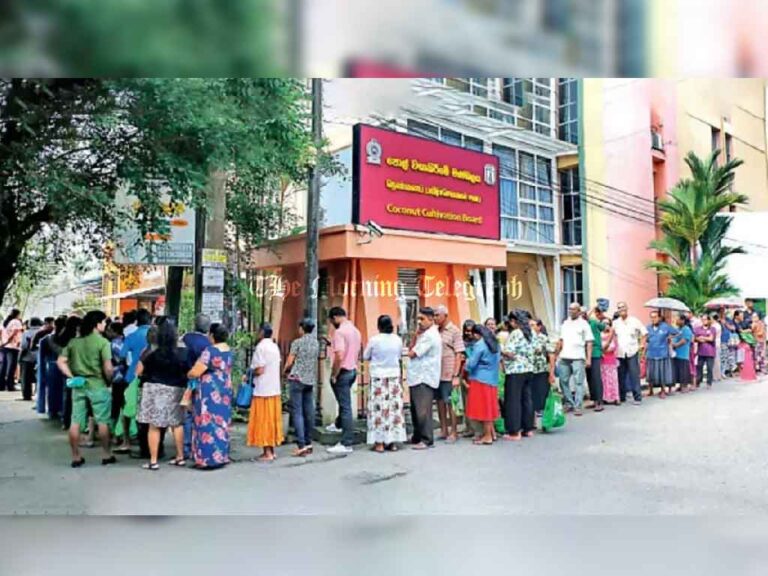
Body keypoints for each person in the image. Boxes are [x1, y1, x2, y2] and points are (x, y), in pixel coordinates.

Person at [56, 310, 115, 467]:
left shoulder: (74, 342)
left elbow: (61, 361)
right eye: (103, 322)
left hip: (79, 385)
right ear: (97, 324)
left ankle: (76, 456)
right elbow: (108, 368)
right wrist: (109, 380)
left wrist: (71, 377)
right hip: (98, 384)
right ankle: (106, 454)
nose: (105, 325)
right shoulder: (103, 343)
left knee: (75, 421)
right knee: (102, 421)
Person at [135, 320, 188, 470]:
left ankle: (153, 461)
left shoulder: (151, 354)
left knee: (154, 426)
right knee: (177, 424)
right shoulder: (182, 354)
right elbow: (187, 372)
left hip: (154, 390)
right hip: (176, 390)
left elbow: (138, 372)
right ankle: (180, 457)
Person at [187, 323, 233, 469]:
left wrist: (189, 373)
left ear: (212, 336)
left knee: (206, 422)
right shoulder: (228, 350)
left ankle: (206, 459)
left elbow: (195, 371)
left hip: (209, 391)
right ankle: (222, 455)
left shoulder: (210, 351)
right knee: (222, 423)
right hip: (224, 388)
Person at [362, 315, 406, 453]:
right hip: (393, 377)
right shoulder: (397, 340)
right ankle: (392, 442)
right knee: (393, 409)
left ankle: (379, 442)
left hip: (378, 378)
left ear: (379, 326)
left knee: (378, 410)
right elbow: (399, 356)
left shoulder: (375, 340)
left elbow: (365, 356)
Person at [325, 307, 362, 455]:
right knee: (343, 400)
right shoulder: (355, 331)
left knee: (345, 405)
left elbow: (339, 356)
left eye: (331, 321)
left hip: (343, 371)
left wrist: (334, 373)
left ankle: (346, 442)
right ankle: (338, 424)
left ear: (335, 318)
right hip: (352, 369)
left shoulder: (339, 332)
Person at [247, 322, 284, 462]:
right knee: (271, 421)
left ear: (262, 332)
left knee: (263, 421)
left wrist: (250, 373)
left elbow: (260, 369)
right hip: (274, 388)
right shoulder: (274, 346)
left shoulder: (260, 347)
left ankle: (267, 453)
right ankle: (271, 451)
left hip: (263, 389)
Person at [406, 307, 442, 450]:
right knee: (415, 409)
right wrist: (416, 335)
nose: (419, 322)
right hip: (417, 375)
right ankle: (417, 436)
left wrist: (409, 351)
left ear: (431, 319)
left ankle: (427, 439)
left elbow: (413, 353)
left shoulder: (430, 336)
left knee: (423, 410)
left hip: (424, 376)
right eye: (418, 319)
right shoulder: (424, 334)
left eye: (422, 319)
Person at [283, 318, 320, 457]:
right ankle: (309, 442)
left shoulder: (297, 342)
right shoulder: (315, 343)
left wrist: (284, 371)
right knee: (308, 411)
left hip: (297, 378)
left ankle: (301, 444)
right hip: (310, 380)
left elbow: (290, 361)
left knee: (297, 412)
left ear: (302, 328)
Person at [554, 302, 594, 415]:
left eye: (574, 309)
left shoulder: (584, 324)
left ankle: (578, 406)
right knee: (563, 381)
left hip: (578, 356)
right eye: (569, 309)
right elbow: (561, 340)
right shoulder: (565, 323)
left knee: (578, 382)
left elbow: (589, 342)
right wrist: (556, 354)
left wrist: (588, 358)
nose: (571, 311)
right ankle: (569, 403)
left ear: (579, 311)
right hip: (564, 356)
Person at [181, 313, 212, 460]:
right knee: (199, 414)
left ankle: (186, 447)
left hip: (185, 379)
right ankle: (197, 446)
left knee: (186, 415)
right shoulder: (207, 344)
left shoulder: (185, 338)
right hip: (201, 382)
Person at [502, 310, 536, 438]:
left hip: (515, 369)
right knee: (526, 399)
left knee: (513, 400)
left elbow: (509, 352)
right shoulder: (531, 332)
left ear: (514, 321)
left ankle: (514, 430)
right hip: (528, 368)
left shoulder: (515, 333)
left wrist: (501, 349)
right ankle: (528, 428)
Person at [464, 324, 501, 445]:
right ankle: (491, 433)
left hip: (480, 379)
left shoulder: (479, 345)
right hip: (493, 378)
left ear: (476, 334)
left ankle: (487, 436)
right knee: (489, 408)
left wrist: (466, 363)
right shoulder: (495, 343)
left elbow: (471, 364)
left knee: (483, 409)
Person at [435, 305, 465, 443]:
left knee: (450, 403)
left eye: (437, 315)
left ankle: (454, 431)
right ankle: (443, 429)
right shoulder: (435, 331)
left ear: (445, 316)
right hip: (437, 373)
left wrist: (455, 375)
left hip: (449, 372)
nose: (435, 318)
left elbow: (459, 354)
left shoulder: (454, 331)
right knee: (440, 402)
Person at [613, 302, 647, 405]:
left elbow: (644, 333)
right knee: (620, 375)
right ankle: (622, 397)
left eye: (623, 307)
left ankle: (637, 397)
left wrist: (642, 344)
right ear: (617, 310)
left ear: (627, 308)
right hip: (620, 353)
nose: (621, 309)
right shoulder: (615, 323)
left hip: (632, 351)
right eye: (619, 308)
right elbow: (611, 335)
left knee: (634, 375)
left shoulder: (634, 321)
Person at [645, 310, 677, 398]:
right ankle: (650, 390)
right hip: (651, 353)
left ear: (659, 318)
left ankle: (663, 391)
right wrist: (644, 352)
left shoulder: (665, 326)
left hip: (662, 353)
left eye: (655, 317)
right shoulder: (648, 327)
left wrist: (670, 337)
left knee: (662, 373)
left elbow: (677, 333)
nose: (653, 319)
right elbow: (646, 340)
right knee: (650, 373)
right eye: (651, 317)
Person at [36, 316, 64, 416]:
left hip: (51, 367)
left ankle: (52, 410)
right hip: (66, 367)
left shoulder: (45, 339)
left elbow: (41, 359)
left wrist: (41, 373)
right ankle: (62, 409)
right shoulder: (69, 339)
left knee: (52, 391)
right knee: (63, 390)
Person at [530, 319, 553, 416]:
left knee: (541, 390)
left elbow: (551, 354)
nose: (530, 327)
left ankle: (541, 409)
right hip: (529, 368)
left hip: (541, 368)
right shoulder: (525, 337)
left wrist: (552, 371)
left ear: (539, 327)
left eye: (533, 325)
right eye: (529, 325)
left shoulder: (543, 338)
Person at [587, 305, 607, 411]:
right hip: (584, 353)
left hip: (595, 352)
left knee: (596, 377)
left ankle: (599, 401)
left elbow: (605, 327)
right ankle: (594, 399)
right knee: (589, 377)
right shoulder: (581, 324)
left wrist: (601, 316)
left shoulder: (593, 322)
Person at [461, 319, 478, 438]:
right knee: (466, 402)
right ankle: (469, 427)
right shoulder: (462, 343)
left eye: (470, 331)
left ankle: (477, 429)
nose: (468, 334)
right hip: (464, 374)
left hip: (476, 374)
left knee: (476, 402)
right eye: (466, 331)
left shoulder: (479, 343)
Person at [19, 317, 43, 401]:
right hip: (40, 357)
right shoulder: (43, 332)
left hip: (27, 357)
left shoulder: (26, 333)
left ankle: (27, 395)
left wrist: (20, 357)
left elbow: (23, 346)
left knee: (26, 377)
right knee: (39, 377)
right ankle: (39, 394)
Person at [0, 308, 23, 391]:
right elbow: (15, 332)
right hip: (13, 346)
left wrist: (3, 342)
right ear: (17, 314)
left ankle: (1, 385)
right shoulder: (16, 322)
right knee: (12, 366)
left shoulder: (5, 322)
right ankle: (10, 385)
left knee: (4, 366)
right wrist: (8, 341)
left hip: (5, 346)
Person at [671, 314, 694, 393]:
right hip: (676, 354)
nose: (676, 321)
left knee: (683, 370)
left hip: (683, 354)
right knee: (678, 371)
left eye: (677, 319)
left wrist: (675, 345)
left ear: (682, 320)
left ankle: (684, 386)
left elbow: (684, 340)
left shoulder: (686, 329)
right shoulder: (677, 329)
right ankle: (680, 385)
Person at [694, 314, 717, 389]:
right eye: (703, 319)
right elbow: (695, 338)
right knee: (699, 367)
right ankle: (698, 381)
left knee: (709, 368)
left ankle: (709, 383)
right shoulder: (698, 329)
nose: (704, 321)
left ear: (709, 320)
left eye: (705, 319)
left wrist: (702, 337)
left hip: (710, 352)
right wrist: (701, 338)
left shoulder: (712, 329)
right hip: (701, 351)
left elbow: (711, 339)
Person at [600, 319, 620, 405]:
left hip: (611, 360)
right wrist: (604, 349)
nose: (606, 325)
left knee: (613, 380)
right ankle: (605, 398)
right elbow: (600, 348)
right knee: (604, 380)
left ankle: (615, 397)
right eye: (604, 323)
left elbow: (614, 347)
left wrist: (605, 348)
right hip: (602, 361)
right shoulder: (599, 335)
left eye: (608, 324)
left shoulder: (613, 336)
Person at [720, 313, 735, 378]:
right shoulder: (717, 320)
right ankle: (722, 372)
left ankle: (729, 371)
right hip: (721, 341)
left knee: (730, 357)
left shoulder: (728, 319)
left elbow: (733, 328)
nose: (722, 312)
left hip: (729, 341)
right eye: (721, 311)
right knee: (723, 357)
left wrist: (725, 323)